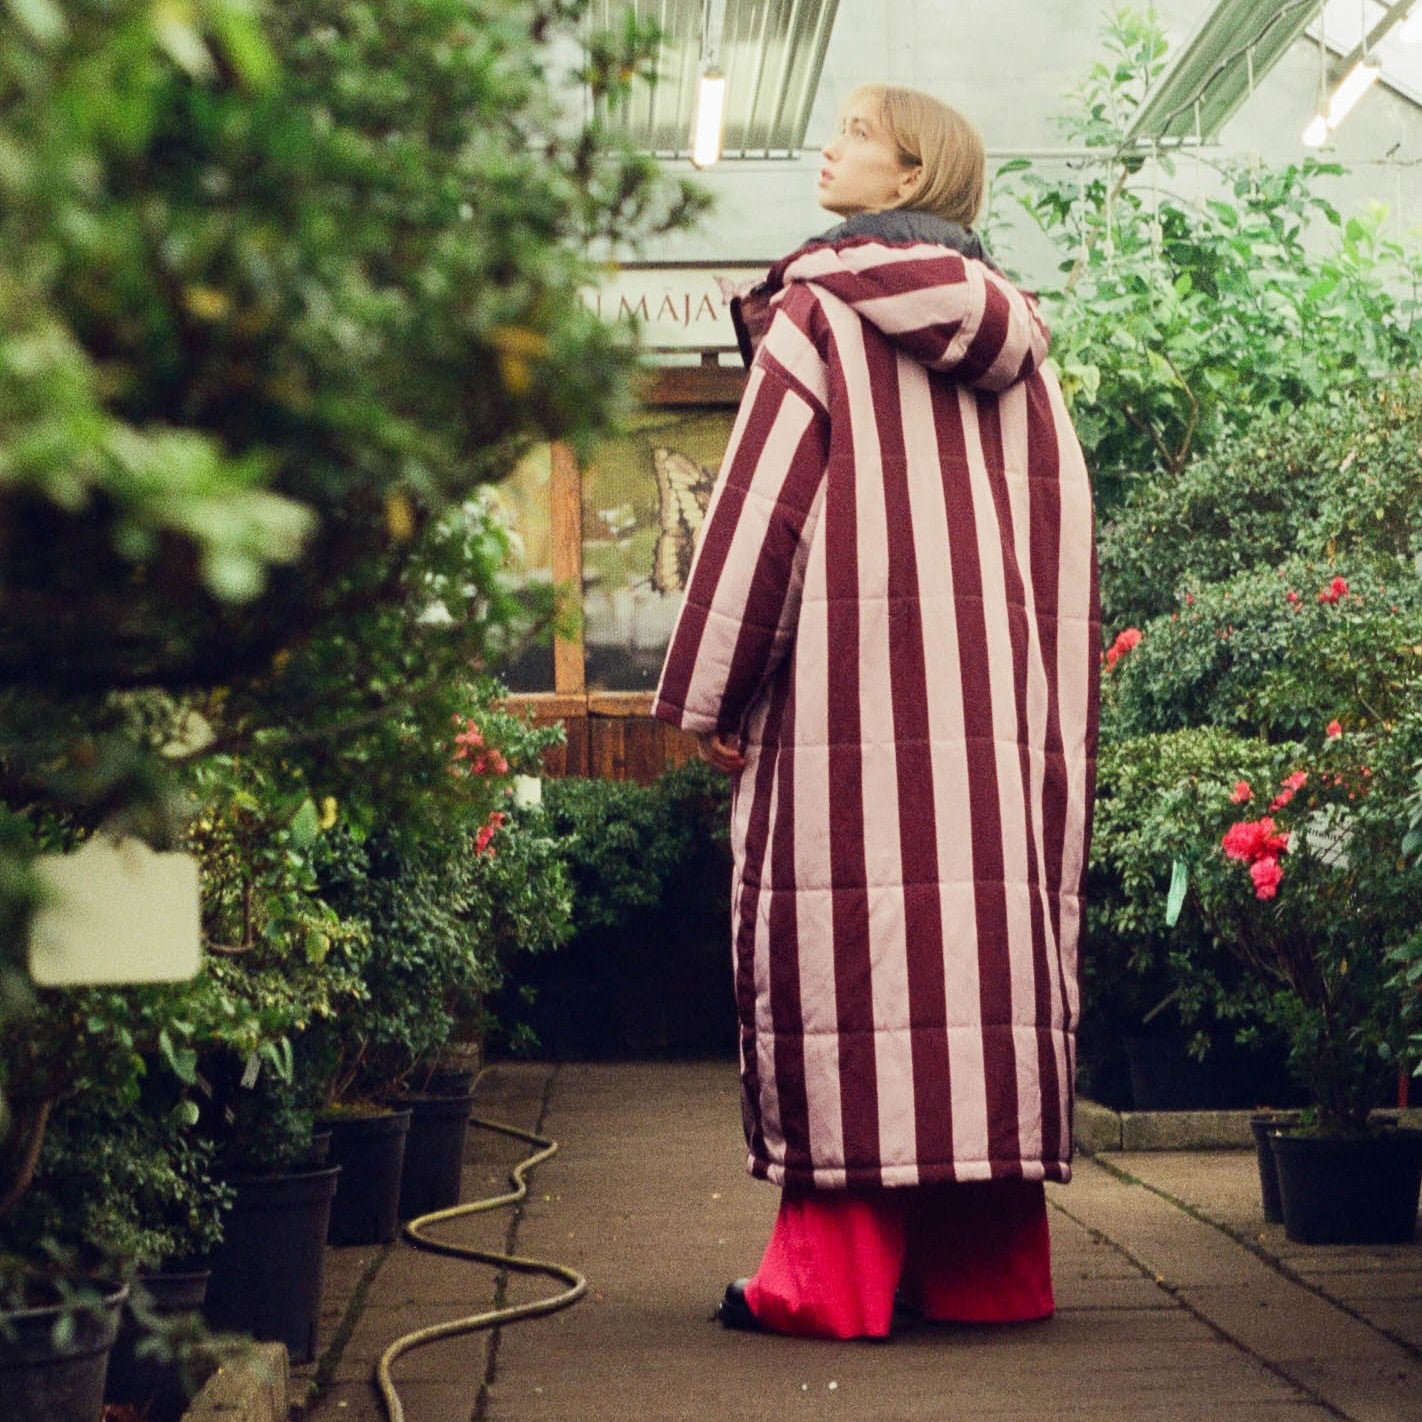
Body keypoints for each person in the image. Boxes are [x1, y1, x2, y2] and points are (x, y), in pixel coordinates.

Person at [652, 83, 1098, 1340]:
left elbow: (761, 518)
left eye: (855, 134)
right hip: (996, 734)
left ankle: (826, 1282)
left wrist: (711, 692)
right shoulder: (1021, 352)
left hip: (850, 724)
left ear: (909, 178)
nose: (828, 147)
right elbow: (1064, 544)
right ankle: (986, 1273)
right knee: (975, 974)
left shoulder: (817, 317)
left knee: (849, 969)